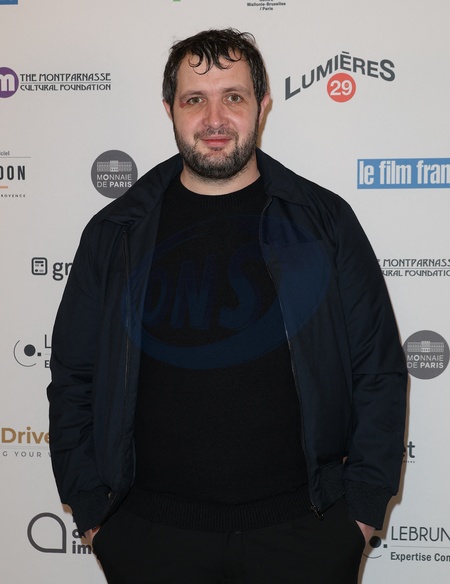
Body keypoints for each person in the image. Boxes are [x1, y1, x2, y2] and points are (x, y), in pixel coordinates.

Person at [48, 28, 407, 584]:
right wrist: (97, 515)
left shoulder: (324, 223)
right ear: (169, 109)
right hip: (149, 540)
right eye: (195, 99)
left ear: (262, 104)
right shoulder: (116, 232)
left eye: (233, 97)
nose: (214, 119)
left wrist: (359, 512)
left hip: (307, 536)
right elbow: (74, 376)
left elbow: (378, 370)